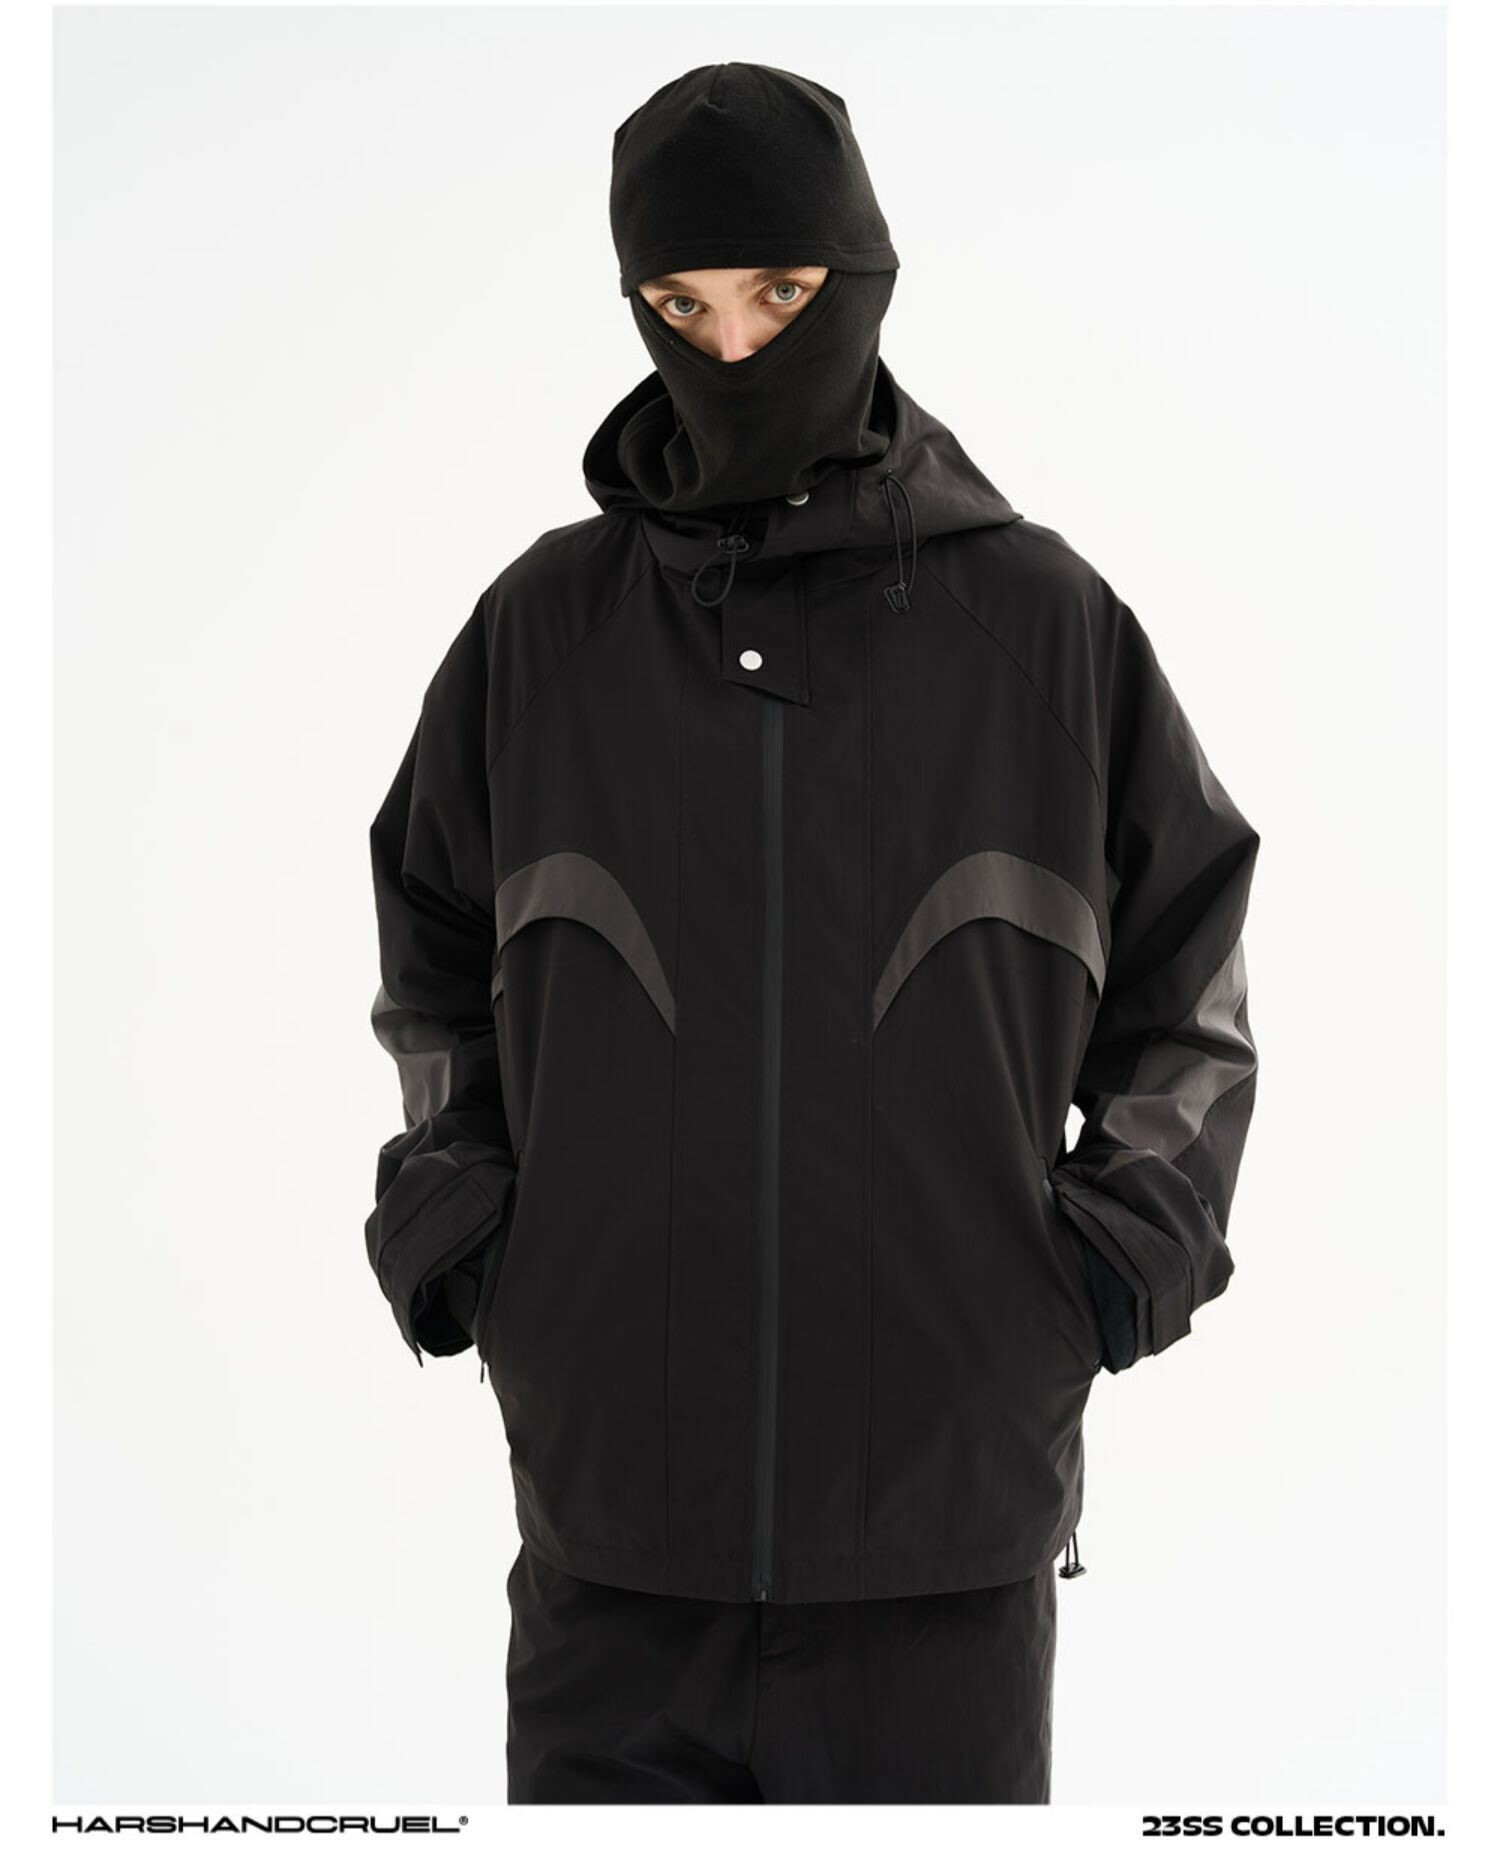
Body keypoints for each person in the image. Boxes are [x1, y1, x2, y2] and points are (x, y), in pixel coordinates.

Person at [364, 61, 1260, 1804]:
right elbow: (431, 954)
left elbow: (1192, 975)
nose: (735, 348)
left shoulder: (1042, 629)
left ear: (860, 279)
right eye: (681, 305)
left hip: (945, 1546)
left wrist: (1112, 1257)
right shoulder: (542, 636)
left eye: (780, 295)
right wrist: (466, 1221)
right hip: (614, 1541)